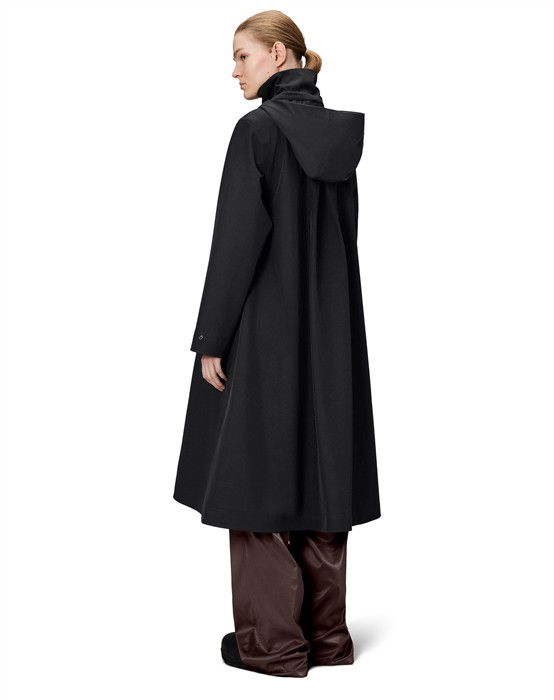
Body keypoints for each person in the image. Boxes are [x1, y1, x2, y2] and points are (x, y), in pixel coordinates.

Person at [173, 10, 381, 677]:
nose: (233, 70)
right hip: (332, 330)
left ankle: (274, 644)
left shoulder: (257, 131)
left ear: (280, 55)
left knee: (253, 475)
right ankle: (327, 638)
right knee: (324, 472)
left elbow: (236, 244)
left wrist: (212, 338)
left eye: (243, 55)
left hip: (265, 329)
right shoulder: (338, 140)